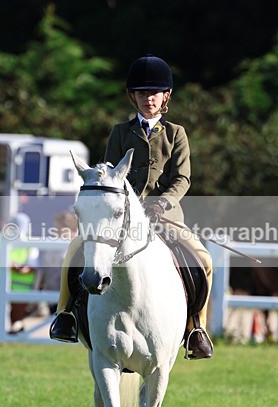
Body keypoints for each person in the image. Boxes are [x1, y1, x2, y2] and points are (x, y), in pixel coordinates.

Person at [49, 54, 213, 359]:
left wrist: (162, 202)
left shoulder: (176, 134)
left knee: (203, 259)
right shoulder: (120, 133)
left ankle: (196, 328)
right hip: (121, 217)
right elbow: (108, 176)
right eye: (142, 93)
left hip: (165, 217)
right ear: (132, 96)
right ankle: (65, 315)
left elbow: (182, 178)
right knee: (74, 250)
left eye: (154, 93)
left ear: (165, 96)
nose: (148, 98)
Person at [0, 212, 39, 336]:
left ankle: (15, 334)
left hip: (21, 286)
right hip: (1, 283)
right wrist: (8, 263)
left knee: (16, 317)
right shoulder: (1, 237)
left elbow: (33, 265)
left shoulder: (30, 241)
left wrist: (20, 268)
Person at [39, 209, 78, 314]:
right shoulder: (52, 245)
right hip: (52, 295)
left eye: (58, 227)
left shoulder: (75, 244)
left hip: (68, 298)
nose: (55, 230)